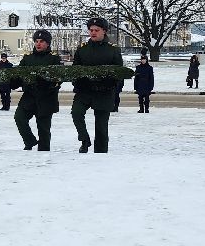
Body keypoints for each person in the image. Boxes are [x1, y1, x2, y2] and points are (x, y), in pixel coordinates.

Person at [71, 17, 124, 153]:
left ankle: (100, 155)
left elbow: (119, 73)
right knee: (76, 113)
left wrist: (114, 89)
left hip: (104, 92)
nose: (93, 32)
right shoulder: (82, 50)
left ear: (104, 31)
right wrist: (76, 85)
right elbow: (75, 70)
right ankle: (84, 139)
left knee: (101, 126)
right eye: (91, 30)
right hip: (85, 90)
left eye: (96, 30)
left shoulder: (113, 50)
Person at [15, 29, 61, 150]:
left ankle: (44, 153)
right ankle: (29, 141)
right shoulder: (27, 58)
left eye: (41, 41)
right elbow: (18, 74)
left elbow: (59, 77)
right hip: (29, 96)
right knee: (19, 118)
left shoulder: (54, 59)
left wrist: (51, 85)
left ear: (48, 43)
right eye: (36, 41)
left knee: (44, 130)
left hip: (46, 97)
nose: (38, 44)